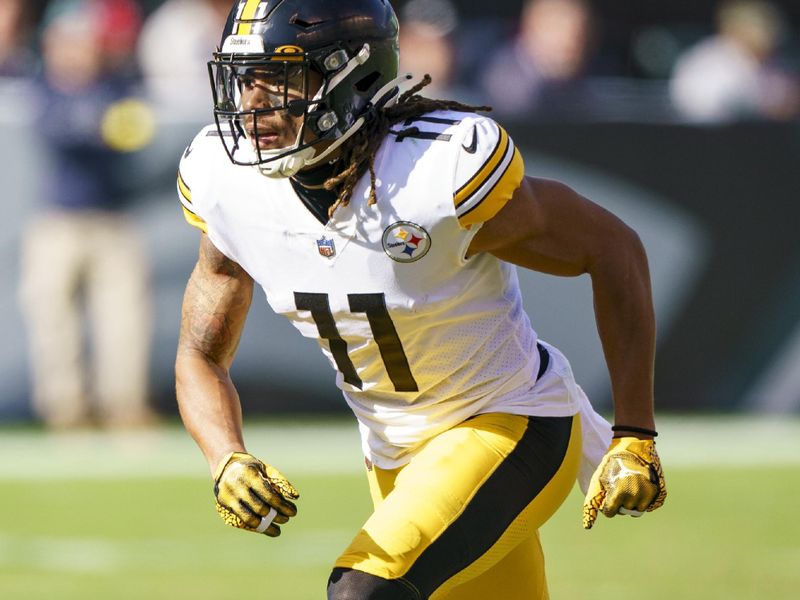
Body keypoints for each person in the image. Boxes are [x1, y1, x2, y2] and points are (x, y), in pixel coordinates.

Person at [174, 1, 667, 598]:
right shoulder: (227, 183)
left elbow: (613, 249)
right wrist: (225, 456)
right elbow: (200, 355)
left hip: (510, 422)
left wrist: (634, 430)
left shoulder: (433, 172)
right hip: (394, 457)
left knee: (363, 592)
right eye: (243, 79)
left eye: (279, 78)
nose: (254, 103)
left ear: (351, 78)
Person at [19, 0, 155, 428]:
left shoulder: (116, 83)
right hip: (59, 223)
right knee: (54, 325)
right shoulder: (43, 86)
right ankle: (67, 413)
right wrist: (102, 126)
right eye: (69, 41)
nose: (78, 50)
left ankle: (124, 407)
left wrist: (109, 124)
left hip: (111, 220)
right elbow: (66, 130)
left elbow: (133, 128)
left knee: (124, 321)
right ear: (53, 44)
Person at [670, 0, 799, 122]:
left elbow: (786, 97)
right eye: (758, 26)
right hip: (711, 139)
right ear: (734, 27)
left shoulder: (772, 62)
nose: (767, 34)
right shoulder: (706, 61)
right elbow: (703, 106)